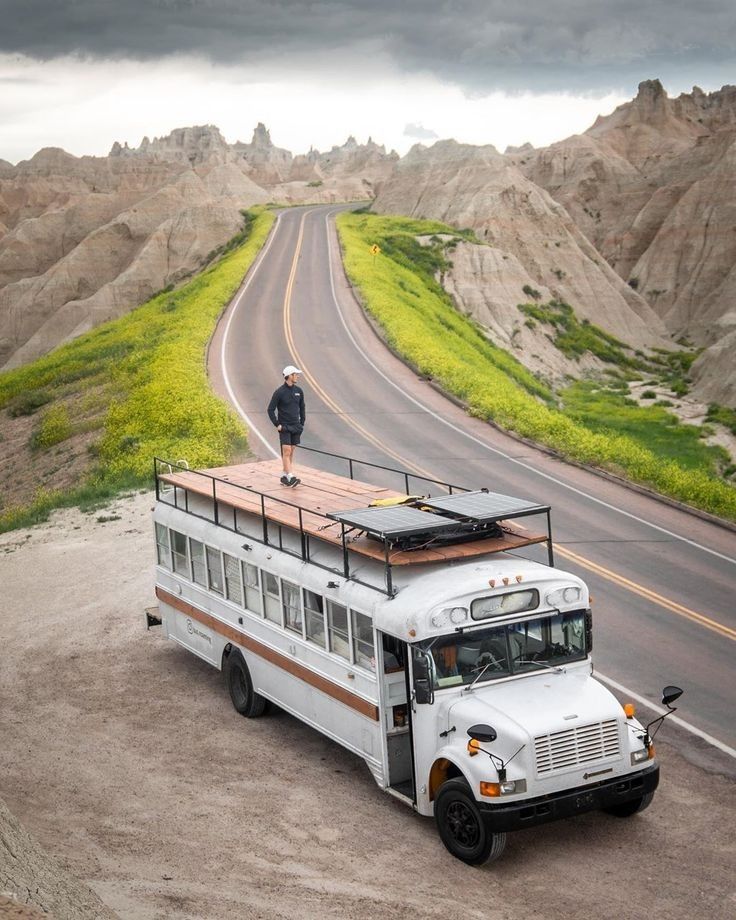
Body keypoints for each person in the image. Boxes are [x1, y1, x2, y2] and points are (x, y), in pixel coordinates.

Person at [267, 365, 306, 487]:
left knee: (291, 451)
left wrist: (302, 423)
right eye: (296, 374)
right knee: (287, 450)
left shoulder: (299, 391)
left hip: (296, 426)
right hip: (284, 426)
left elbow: (302, 407)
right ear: (289, 376)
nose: (297, 376)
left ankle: (285, 475)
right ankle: (291, 476)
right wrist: (277, 424)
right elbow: (270, 409)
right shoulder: (279, 392)